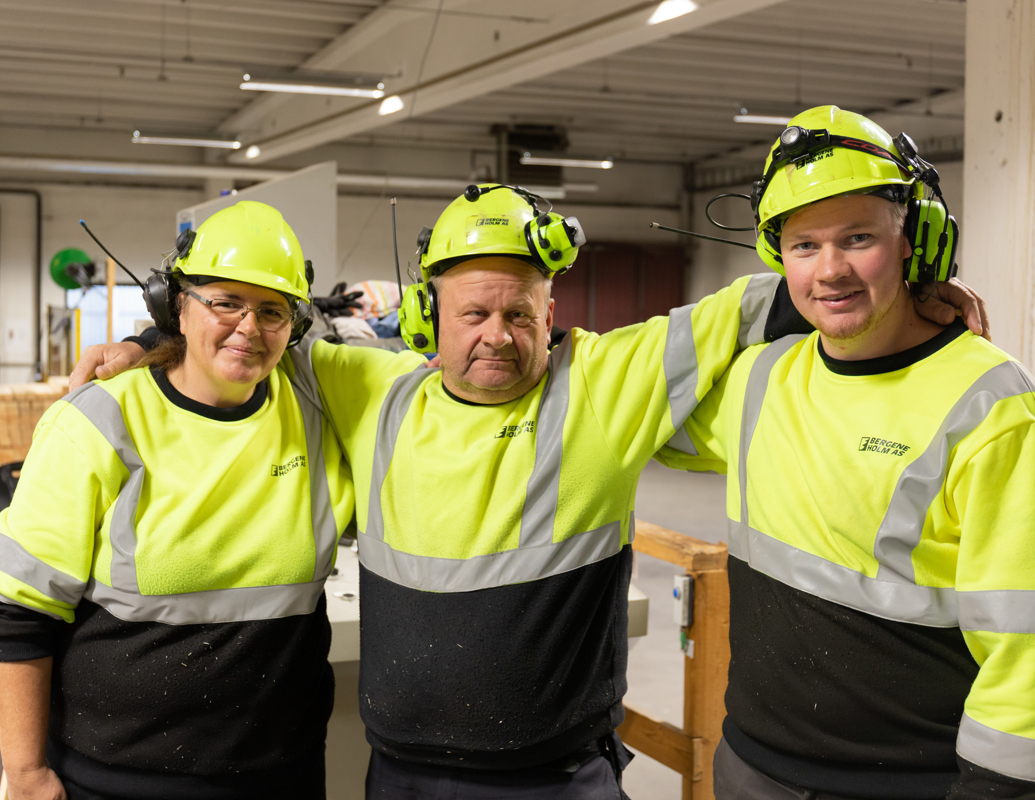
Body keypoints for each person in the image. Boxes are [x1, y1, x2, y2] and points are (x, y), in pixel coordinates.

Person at [69, 184, 985, 800]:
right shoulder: (370, 390)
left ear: (553, 312)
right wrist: (145, 349)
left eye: (522, 312)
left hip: (558, 781)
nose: (498, 336)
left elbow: (770, 296)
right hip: (401, 775)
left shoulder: (605, 382)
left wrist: (917, 292)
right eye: (473, 313)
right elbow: (244, 333)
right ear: (429, 318)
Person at [656, 106, 1035, 799]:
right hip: (749, 762)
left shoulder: (989, 405)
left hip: (905, 784)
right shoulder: (760, 379)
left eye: (857, 238)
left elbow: (1026, 639)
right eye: (803, 246)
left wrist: (998, 789)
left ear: (912, 241)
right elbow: (630, 412)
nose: (829, 270)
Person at [0, 201, 354, 800]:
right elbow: (19, 612)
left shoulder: (317, 407)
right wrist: (26, 773)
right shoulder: (100, 420)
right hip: (117, 780)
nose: (249, 327)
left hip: (282, 774)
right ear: (177, 309)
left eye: (272, 311)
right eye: (225, 302)